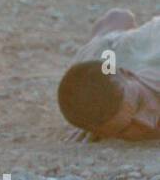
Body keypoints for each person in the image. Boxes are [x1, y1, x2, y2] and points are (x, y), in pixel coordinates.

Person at [58, 9, 160, 142]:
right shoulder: (93, 60)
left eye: (140, 103)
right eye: (125, 129)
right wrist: (90, 119)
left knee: (118, 18)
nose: (148, 123)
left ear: (129, 74)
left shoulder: (104, 52)